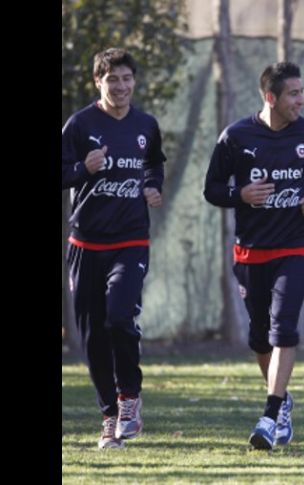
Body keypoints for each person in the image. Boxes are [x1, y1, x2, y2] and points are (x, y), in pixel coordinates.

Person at [204, 61, 304, 450]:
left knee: (284, 328)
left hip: (294, 247)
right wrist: (239, 195)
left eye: (301, 92)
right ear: (270, 97)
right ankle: (283, 400)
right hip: (250, 251)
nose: (300, 100)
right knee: (260, 339)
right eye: (293, 93)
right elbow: (212, 189)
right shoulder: (236, 136)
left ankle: (270, 415)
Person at [62, 48, 166, 449]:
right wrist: (81, 170)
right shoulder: (79, 125)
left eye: (126, 79)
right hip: (86, 243)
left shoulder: (146, 124)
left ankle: (129, 398)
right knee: (92, 336)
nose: (121, 87)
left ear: (134, 82)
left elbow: (154, 163)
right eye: (112, 80)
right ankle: (109, 418)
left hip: (130, 240)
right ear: (98, 83)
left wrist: (153, 185)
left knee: (120, 316)